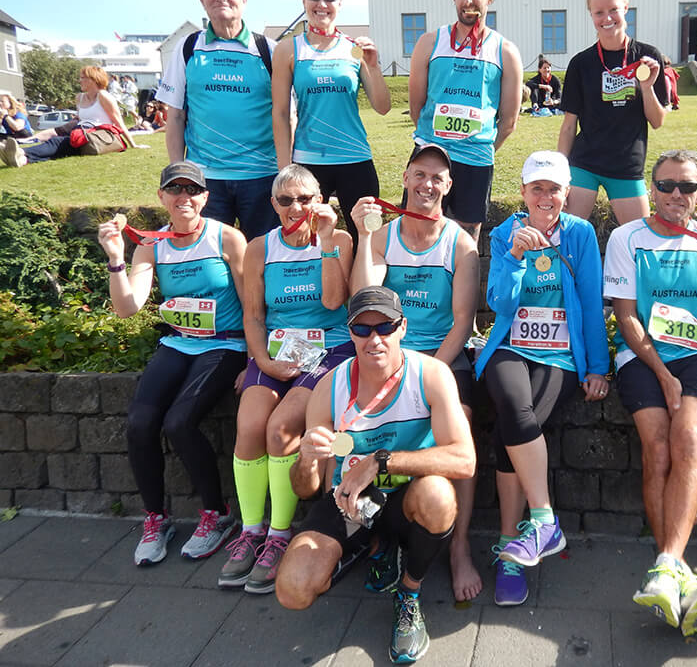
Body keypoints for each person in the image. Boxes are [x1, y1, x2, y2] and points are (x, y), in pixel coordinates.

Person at [275, 286, 476, 664]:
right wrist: (304, 459)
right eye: (362, 329)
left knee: (438, 495)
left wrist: (381, 461)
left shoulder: (430, 374)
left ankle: (409, 592)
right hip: (351, 502)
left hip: (407, 499)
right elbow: (305, 489)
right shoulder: (329, 386)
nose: (375, 339)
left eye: (385, 327)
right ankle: (371, 547)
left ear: (403, 328)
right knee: (292, 590)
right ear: (350, 332)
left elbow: (464, 461)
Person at [603, 149, 697, 635]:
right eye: (666, 185)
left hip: (696, 357)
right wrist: (662, 373)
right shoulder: (628, 238)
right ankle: (675, 568)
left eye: (687, 186)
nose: (676, 194)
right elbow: (625, 316)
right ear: (651, 190)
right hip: (641, 355)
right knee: (657, 445)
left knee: (689, 437)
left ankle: (667, 565)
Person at [96, 161, 247, 565]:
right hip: (179, 343)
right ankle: (155, 518)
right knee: (139, 422)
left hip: (225, 344)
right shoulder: (152, 244)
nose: (184, 197)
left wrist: (254, 360)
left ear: (205, 197)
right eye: (175, 189)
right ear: (161, 196)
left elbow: (253, 303)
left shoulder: (227, 238)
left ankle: (217, 514)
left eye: (192, 190)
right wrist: (116, 258)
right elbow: (128, 307)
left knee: (179, 422)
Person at [349, 143, 482, 601]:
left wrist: (426, 377)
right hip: (387, 351)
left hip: (441, 356)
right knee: (360, 423)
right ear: (405, 178)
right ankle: (378, 536)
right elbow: (363, 298)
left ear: (449, 186)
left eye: (437, 178)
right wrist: (364, 235)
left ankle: (459, 545)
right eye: (420, 174)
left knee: (461, 423)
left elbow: (462, 321)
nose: (428, 184)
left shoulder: (460, 243)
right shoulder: (384, 236)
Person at [475, 151, 608, 607]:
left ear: (567, 192)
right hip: (511, 346)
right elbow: (499, 303)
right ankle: (544, 521)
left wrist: (597, 367)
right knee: (515, 409)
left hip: (560, 355)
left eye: (554, 189)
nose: (545, 197)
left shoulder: (580, 234)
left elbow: (590, 300)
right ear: (523, 192)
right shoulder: (504, 234)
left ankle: (510, 551)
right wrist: (514, 256)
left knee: (510, 432)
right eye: (537, 188)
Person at [218, 164, 355, 595]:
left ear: (320, 200)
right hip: (276, 350)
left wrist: (327, 243)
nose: (296, 207)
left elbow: (333, 301)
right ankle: (250, 531)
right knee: (248, 427)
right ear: (273, 204)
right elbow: (253, 316)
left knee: (280, 429)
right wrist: (260, 360)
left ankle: (279, 534)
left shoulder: (339, 240)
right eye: (286, 200)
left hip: (328, 348)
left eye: (306, 198)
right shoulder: (259, 247)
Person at [156, 0, 279, 242]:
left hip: (261, 175)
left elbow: (285, 115)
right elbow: (175, 116)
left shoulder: (268, 49)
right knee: (209, 255)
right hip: (204, 178)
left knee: (263, 255)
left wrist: (285, 172)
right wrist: (179, 176)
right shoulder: (188, 47)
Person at [272, 0, 390, 245]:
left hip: (354, 159)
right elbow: (280, 113)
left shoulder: (354, 49)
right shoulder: (288, 50)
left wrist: (373, 65)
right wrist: (285, 170)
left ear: (340, 2)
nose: (322, 3)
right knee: (308, 240)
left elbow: (383, 106)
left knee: (367, 237)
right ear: (303, 0)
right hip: (310, 161)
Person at [408, 0, 523, 242]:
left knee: (465, 242)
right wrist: (439, 141)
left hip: (475, 160)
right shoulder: (429, 43)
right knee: (417, 235)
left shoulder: (505, 51)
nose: (468, 1)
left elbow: (509, 120)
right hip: (430, 154)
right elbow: (416, 107)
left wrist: (478, 146)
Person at [558, 0, 668, 227]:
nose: (607, 18)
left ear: (626, 8)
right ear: (591, 15)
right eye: (599, 12)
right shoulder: (581, 63)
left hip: (626, 166)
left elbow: (657, 121)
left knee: (639, 240)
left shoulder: (648, 57)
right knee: (566, 236)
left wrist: (646, 87)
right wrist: (559, 174)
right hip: (584, 163)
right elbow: (568, 126)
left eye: (613, 9)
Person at [1, 66, 137, 167]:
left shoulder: (103, 96)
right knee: (62, 148)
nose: (79, 81)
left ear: (93, 79)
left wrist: (133, 144)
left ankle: (21, 152)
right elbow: (79, 118)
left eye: (82, 78)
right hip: (80, 132)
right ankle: (22, 159)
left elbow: (118, 122)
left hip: (97, 135)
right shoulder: (80, 98)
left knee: (57, 142)